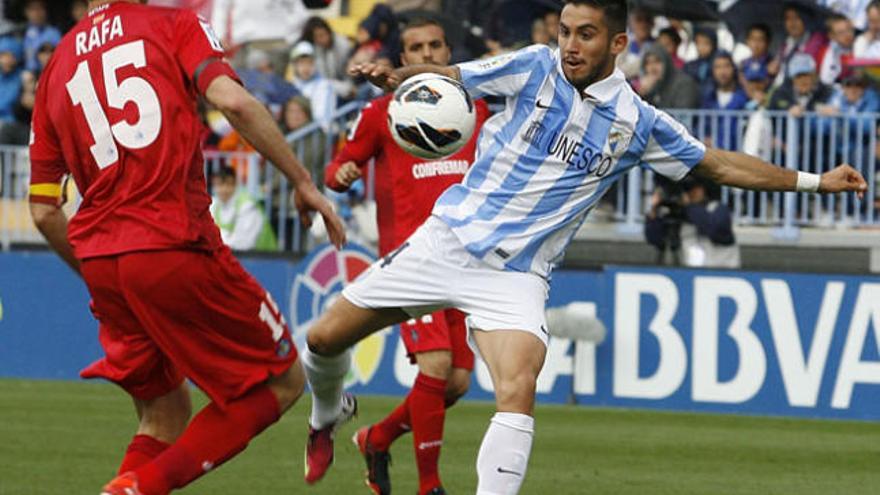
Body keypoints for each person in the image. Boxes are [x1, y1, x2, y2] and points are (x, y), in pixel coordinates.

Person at [300, 1, 867, 494]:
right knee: (324, 341)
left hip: (515, 276)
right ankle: (326, 415)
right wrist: (397, 76)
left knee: (519, 385)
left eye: (585, 34)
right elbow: (451, 74)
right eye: (565, 31)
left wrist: (815, 181)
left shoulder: (638, 123)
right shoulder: (531, 66)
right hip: (447, 241)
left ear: (618, 42)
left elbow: (718, 163)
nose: (569, 45)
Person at [27, 2, 345, 494]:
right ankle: (133, 490)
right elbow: (233, 102)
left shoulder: (55, 68)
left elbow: (45, 209)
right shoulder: (172, 25)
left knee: (163, 411)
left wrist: (98, 271)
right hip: (171, 241)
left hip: (102, 261)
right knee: (280, 382)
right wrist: (301, 179)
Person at [315, 18, 491, 495]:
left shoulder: (477, 108)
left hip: (466, 258)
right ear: (401, 58)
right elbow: (334, 171)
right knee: (434, 368)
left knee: (455, 383)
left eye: (436, 45)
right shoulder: (381, 112)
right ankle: (429, 486)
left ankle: (378, 438)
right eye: (417, 47)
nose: (429, 54)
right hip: (413, 261)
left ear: (449, 50)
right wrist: (343, 174)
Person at [645, 175, 740, 268]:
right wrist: (654, 211)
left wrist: (688, 206)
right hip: (692, 275)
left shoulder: (717, 208)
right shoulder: (678, 214)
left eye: (692, 188)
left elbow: (715, 230)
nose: (690, 192)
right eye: (685, 189)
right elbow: (655, 240)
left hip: (722, 274)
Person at [210, 167, 278, 252]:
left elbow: (243, 244)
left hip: (265, 259)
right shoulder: (214, 205)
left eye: (228, 184)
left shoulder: (247, 206)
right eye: (219, 185)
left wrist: (217, 238)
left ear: (235, 185)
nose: (224, 189)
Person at [702, 52, 749, 150]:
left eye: (726, 66)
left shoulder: (744, 98)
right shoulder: (708, 99)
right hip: (716, 158)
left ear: (734, 69)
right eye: (717, 67)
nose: (722, 72)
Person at [299, 16, 354, 100]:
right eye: (315, 37)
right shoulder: (316, 47)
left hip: (346, 88)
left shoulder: (343, 46)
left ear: (329, 32)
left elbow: (349, 78)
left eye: (322, 35)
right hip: (328, 88)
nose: (319, 39)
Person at [287, 41, 336, 129]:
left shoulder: (324, 85)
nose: (306, 67)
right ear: (294, 65)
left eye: (309, 63)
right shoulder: (290, 85)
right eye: (301, 63)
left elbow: (324, 121)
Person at [768, 53, 835, 116]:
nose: (803, 80)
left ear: (814, 76)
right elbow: (774, 106)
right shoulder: (781, 92)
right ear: (792, 78)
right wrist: (789, 108)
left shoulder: (826, 92)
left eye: (806, 75)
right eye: (799, 76)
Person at [639, 44, 700, 109]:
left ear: (666, 62)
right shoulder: (653, 85)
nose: (652, 67)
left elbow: (682, 116)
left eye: (657, 61)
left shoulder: (684, 84)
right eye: (648, 63)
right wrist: (644, 94)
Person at [22, 0, 61, 74]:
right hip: (29, 75)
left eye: (40, 8)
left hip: (50, 73)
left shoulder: (54, 33)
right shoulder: (22, 32)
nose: (36, 13)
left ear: (45, 11)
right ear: (26, 12)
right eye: (33, 9)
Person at [820, 15, 856, 86]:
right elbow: (826, 79)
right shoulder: (832, 54)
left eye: (849, 29)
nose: (847, 35)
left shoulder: (864, 40)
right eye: (841, 33)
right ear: (832, 36)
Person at [683, 28, 718, 95]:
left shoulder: (718, 65)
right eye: (698, 43)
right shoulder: (689, 66)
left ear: (714, 45)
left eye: (706, 43)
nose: (701, 47)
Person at [0, 36, 22, 124]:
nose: (6, 60)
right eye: (3, 56)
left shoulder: (22, 78)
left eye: (11, 56)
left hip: (11, 124)